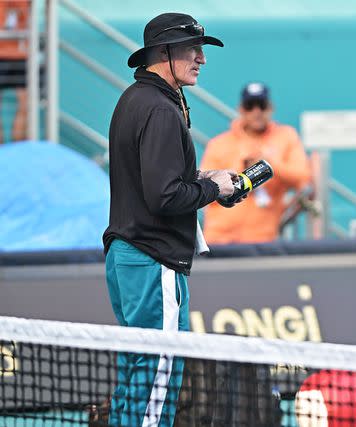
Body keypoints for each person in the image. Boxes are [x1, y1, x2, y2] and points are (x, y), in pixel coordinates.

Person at [102, 13, 238, 427]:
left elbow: (155, 178)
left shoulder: (136, 99)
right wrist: (217, 191)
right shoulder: (160, 109)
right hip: (152, 260)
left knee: (137, 375)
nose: (201, 58)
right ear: (163, 54)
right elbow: (164, 197)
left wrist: (202, 178)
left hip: (130, 255)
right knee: (157, 375)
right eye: (191, 49)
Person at [200, 82, 312, 244]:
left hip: (262, 240)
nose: (256, 112)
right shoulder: (219, 144)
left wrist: (266, 165)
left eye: (262, 105)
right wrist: (243, 173)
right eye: (250, 106)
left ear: (271, 108)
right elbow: (206, 189)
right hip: (219, 238)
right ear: (240, 109)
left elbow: (302, 178)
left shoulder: (286, 137)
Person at [0, 0, 29, 143]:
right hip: (14, 54)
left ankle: (17, 149)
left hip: (20, 55)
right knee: (25, 103)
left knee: (25, 103)